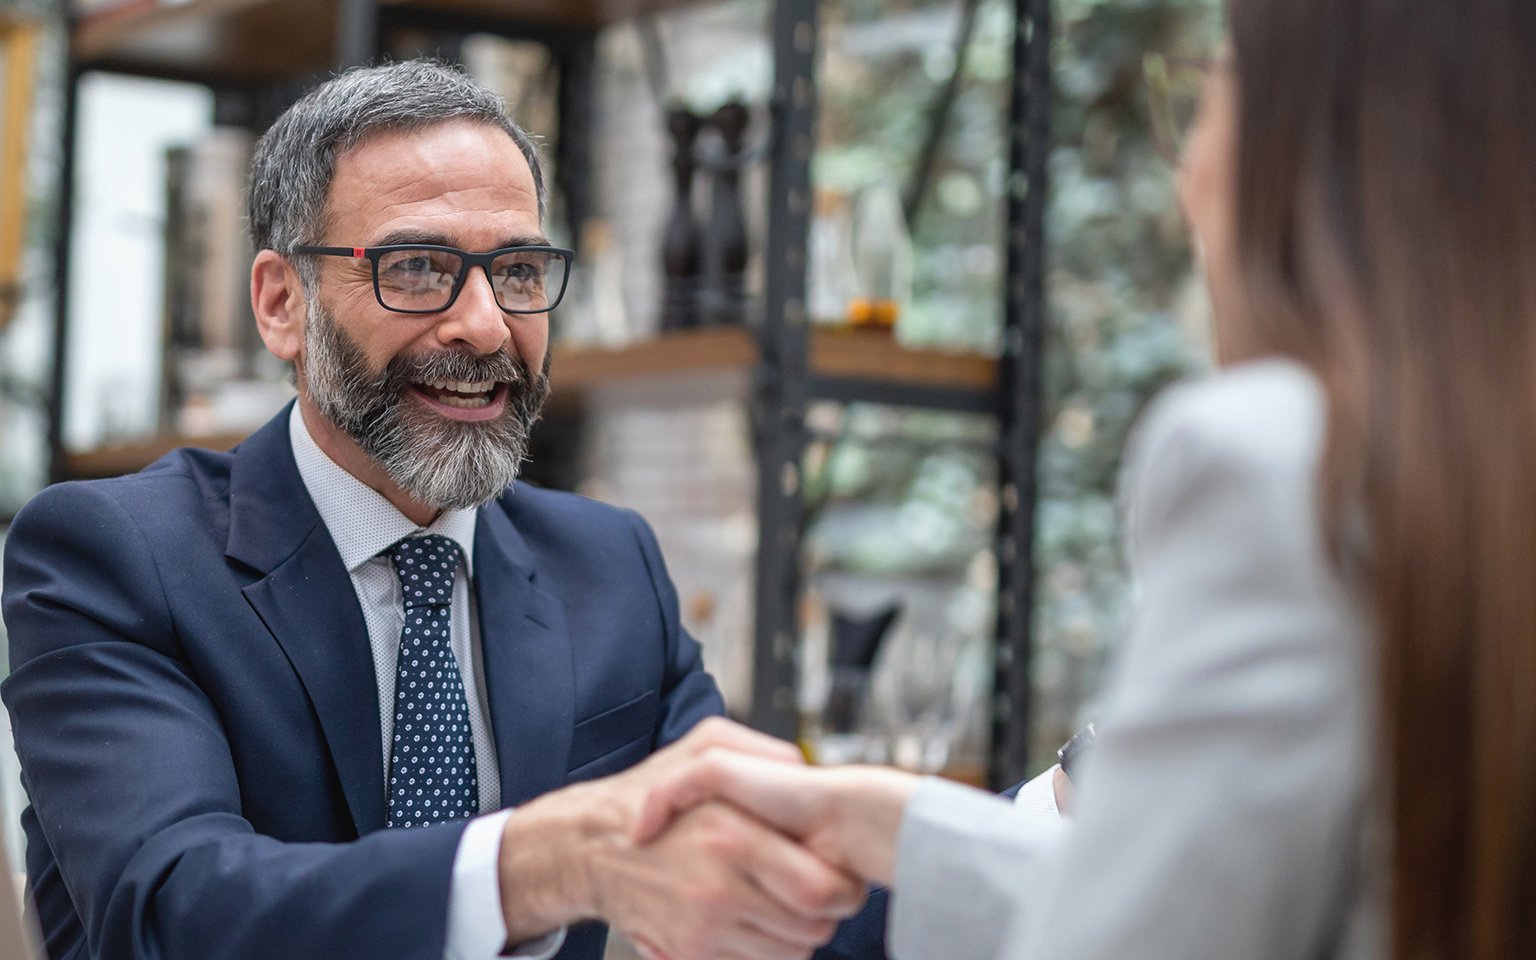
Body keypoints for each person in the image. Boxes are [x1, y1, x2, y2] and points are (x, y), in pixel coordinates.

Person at [633, 1, 1536, 957]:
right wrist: (899, 827)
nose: (1185, 173)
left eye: (1208, 97)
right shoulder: (1471, 479)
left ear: (1304, 144)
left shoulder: (1273, 466)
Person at [0, 60, 865, 960]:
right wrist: (542, 866)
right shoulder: (113, 556)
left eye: (520, 270)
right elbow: (173, 915)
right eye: (418, 268)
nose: (486, 326)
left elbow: (779, 889)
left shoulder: (608, 564)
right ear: (280, 303)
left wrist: (1019, 831)